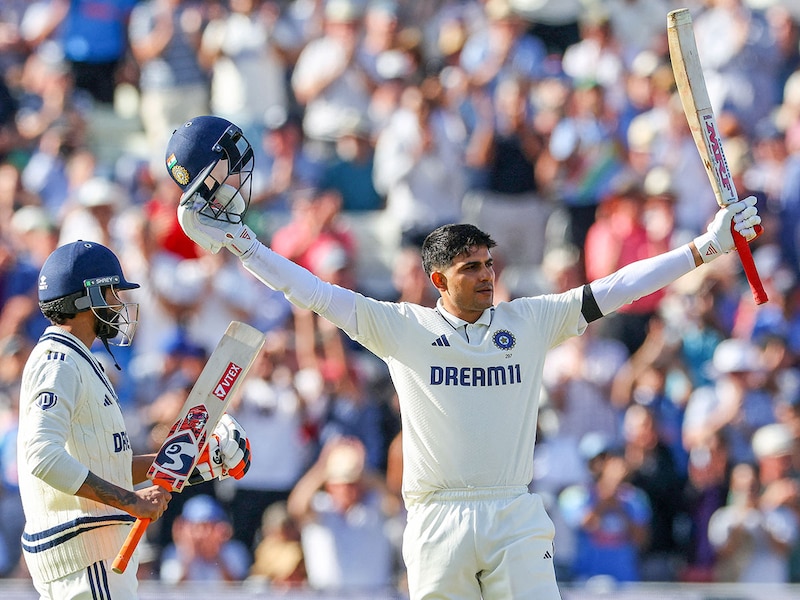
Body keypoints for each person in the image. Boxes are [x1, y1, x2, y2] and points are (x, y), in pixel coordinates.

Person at [166, 114, 762, 599]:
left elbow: (618, 287)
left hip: (513, 511)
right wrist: (244, 244)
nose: (486, 276)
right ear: (436, 280)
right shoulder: (403, 328)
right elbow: (311, 291)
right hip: (436, 517)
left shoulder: (530, 320)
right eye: (470, 268)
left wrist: (704, 248)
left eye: (489, 265)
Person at [17, 239, 251, 599]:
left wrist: (199, 460)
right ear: (85, 299)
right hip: (87, 562)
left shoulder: (80, 360)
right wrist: (129, 501)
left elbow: (106, 465)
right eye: (112, 291)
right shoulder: (58, 361)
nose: (119, 303)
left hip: (95, 559)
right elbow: (42, 458)